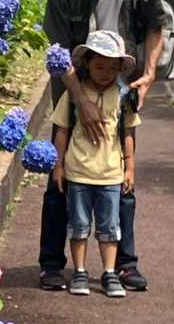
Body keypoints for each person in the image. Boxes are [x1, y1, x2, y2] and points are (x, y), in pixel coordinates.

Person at [38, 0, 166, 292]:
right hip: (74, 86)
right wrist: (81, 100)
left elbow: (155, 25)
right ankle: (51, 264)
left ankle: (124, 264)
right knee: (60, 174)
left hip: (122, 86)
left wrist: (149, 73)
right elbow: (57, 52)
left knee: (123, 173)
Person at [51, 32, 139, 297]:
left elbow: (127, 133)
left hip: (111, 174)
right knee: (78, 226)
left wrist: (130, 167)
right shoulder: (73, 96)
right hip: (78, 172)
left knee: (110, 228)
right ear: (86, 63)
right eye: (100, 66)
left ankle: (109, 272)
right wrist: (58, 165)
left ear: (120, 69)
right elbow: (62, 130)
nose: (105, 73)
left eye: (112, 68)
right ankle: (79, 271)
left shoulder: (123, 96)